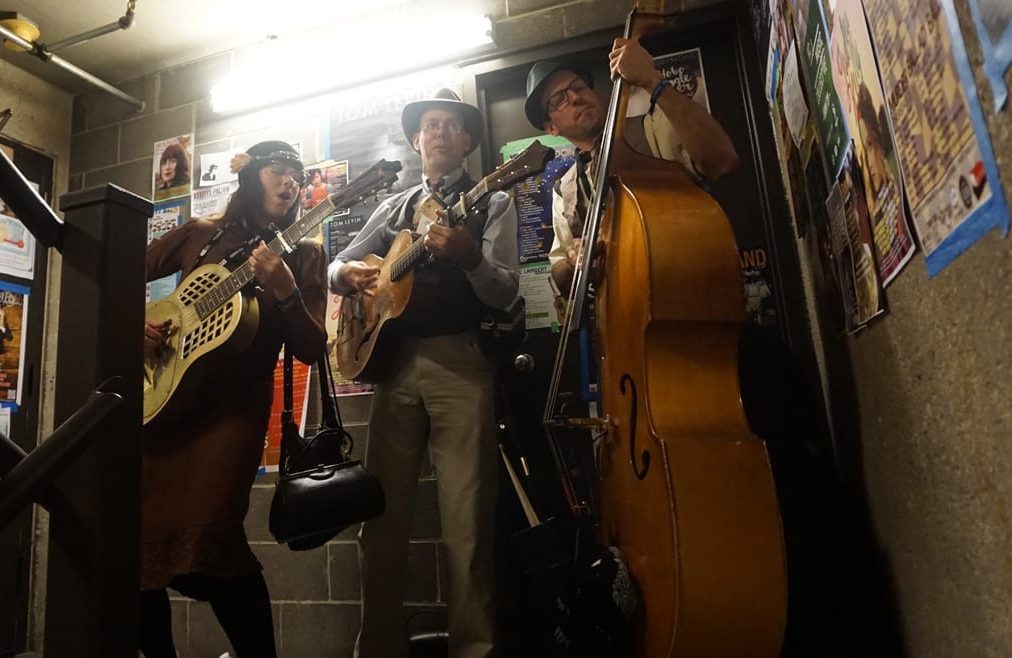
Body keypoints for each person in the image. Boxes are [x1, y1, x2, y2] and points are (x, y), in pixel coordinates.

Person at [329, 89, 519, 658]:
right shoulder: (394, 208)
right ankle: (378, 648)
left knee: (467, 520)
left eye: (450, 125)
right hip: (395, 365)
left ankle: (474, 648)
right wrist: (349, 279)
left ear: (465, 141)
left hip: (460, 362)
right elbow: (341, 260)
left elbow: (507, 292)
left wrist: (469, 256)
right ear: (416, 140)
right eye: (429, 125)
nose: (438, 132)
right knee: (379, 520)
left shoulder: (494, 200)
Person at [140, 140, 327, 658]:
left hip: (234, 413)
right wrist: (136, 323)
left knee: (213, 539)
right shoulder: (202, 234)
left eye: (297, 175)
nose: (289, 183)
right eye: (278, 170)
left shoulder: (306, 253)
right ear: (251, 177)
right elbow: (115, 274)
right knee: (137, 554)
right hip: (163, 404)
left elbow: (312, 349)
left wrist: (287, 291)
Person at [524, 39, 740, 298]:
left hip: (694, 294)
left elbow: (722, 161)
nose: (575, 97)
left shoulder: (652, 127)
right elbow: (561, 281)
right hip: (623, 321)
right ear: (551, 129)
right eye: (559, 99)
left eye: (578, 86)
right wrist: (572, 261)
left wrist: (651, 80)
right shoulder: (565, 190)